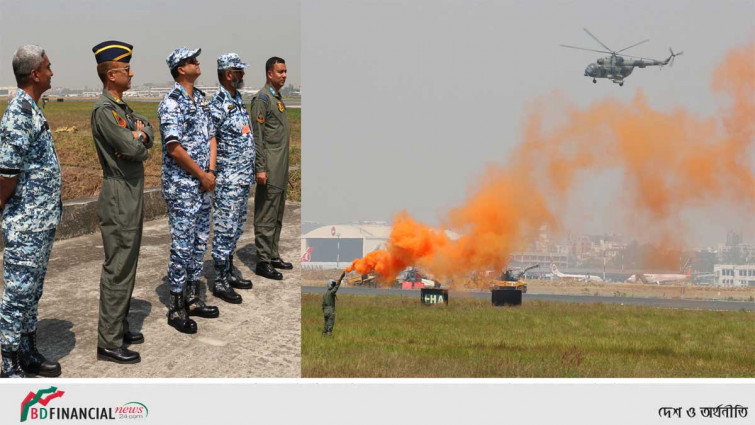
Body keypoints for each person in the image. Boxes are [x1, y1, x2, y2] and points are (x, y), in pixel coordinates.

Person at [90, 41, 154, 364]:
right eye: (127, 70)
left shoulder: (122, 110)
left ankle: (119, 324)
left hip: (130, 192)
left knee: (128, 262)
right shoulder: (104, 112)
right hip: (118, 194)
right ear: (111, 74)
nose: (132, 74)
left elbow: (148, 132)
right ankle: (109, 341)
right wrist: (136, 138)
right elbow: (133, 150)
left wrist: (140, 135)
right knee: (117, 266)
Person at [0, 45, 62, 377]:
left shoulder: (33, 108)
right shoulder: (18, 113)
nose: (53, 72)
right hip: (26, 223)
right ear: (35, 74)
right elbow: (6, 172)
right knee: (17, 293)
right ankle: (8, 364)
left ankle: (27, 351)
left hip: (41, 221)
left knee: (31, 292)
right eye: (48, 67)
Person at [158, 47, 223, 334]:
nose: (198, 63)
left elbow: (211, 137)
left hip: (202, 184)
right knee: (182, 247)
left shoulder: (200, 100)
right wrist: (200, 175)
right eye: (192, 61)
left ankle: (193, 297)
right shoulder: (171, 103)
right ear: (180, 69)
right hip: (183, 187)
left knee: (199, 244)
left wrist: (210, 173)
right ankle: (176, 306)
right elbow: (174, 148)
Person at [208, 53, 255, 301]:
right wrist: (214, 172)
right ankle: (221, 280)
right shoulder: (217, 103)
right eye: (240, 71)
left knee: (236, 228)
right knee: (225, 229)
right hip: (228, 179)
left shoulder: (237, 100)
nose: (243, 75)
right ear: (229, 74)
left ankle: (229, 268)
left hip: (242, 178)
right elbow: (210, 139)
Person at [250, 57, 293, 281]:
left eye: (285, 71)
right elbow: (258, 137)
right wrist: (261, 168)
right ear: (269, 74)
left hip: (281, 166)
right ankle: (263, 261)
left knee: (277, 213)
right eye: (280, 72)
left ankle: (273, 254)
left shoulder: (277, 98)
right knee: (266, 213)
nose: (284, 75)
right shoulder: (262, 99)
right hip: (269, 166)